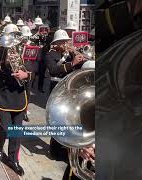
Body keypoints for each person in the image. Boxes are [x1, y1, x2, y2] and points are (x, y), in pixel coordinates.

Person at [0, 27, 35, 176]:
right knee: (5, 128)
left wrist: (26, 74)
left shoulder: (24, 52)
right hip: (3, 97)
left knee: (16, 133)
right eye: (10, 36)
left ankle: (13, 159)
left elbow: (33, 72)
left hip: (19, 98)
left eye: (15, 36)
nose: (13, 39)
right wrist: (2, 65)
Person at [45, 29, 84, 160]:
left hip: (69, 91)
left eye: (65, 41)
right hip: (57, 90)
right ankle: (54, 149)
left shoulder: (68, 54)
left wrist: (77, 56)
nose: (64, 44)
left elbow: (78, 69)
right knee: (57, 119)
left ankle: (64, 148)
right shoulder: (50, 55)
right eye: (61, 42)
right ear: (55, 43)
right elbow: (54, 70)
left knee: (68, 120)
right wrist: (72, 63)